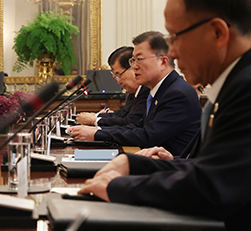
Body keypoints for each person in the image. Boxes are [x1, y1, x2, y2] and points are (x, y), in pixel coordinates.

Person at [32, 0, 251, 231]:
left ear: (217, 32)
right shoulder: (238, 82)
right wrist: (134, 165)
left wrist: (122, 191)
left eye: (176, 37)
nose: (173, 52)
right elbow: (209, 169)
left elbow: (213, 188)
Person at [67, 31, 200, 156]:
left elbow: (148, 136)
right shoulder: (161, 90)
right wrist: (97, 131)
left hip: (172, 171)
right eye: (133, 60)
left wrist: (97, 134)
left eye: (139, 59)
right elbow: (137, 126)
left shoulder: (177, 93)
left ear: (163, 62)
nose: (134, 66)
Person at [76, 46, 149, 128]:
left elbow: (130, 122)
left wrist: (94, 121)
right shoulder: (133, 92)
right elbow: (124, 114)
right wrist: (98, 116)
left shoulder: (146, 90)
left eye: (119, 75)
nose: (118, 81)